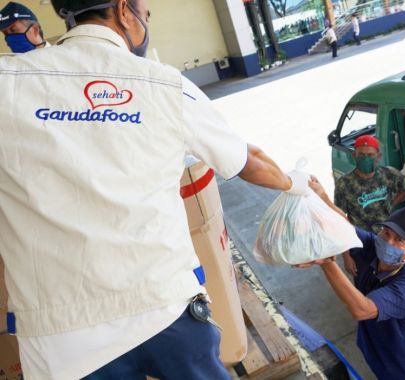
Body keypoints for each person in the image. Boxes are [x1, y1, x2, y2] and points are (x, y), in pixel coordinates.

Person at [0, 0, 309, 379]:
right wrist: (297, 185)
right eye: (146, 15)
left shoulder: (8, 82)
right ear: (124, 11)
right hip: (164, 309)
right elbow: (250, 161)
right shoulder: (162, 83)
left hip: (61, 337)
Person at [300, 179, 405, 380]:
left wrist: (327, 263)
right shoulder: (372, 246)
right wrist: (320, 195)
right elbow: (342, 227)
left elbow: (362, 310)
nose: (388, 242)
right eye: (386, 233)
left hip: (400, 366)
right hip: (373, 346)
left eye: (399, 240)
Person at [334, 135, 405, 274]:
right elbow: (339, 221)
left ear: (378, 156)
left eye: (370, 154)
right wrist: (346, 256)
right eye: (361, 154)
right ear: (354, 155)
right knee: (365, 281)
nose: (366, 158)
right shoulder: (344, 184)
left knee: (391, 275)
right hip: (361, 243)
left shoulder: (387, 174)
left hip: (388, 239)